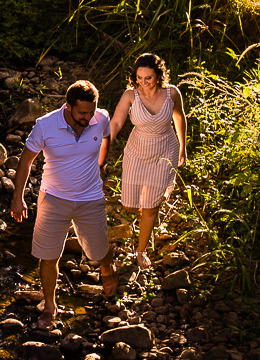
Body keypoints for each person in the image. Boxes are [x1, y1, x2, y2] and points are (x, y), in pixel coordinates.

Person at [11, 80, 118, 329]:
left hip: (90, 198)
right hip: (53, 199)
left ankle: (107, 270)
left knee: (99, 251)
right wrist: (18, 198)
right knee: (48, 256)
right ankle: (50, 306)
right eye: (82, 112)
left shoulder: (101, 118)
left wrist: (100, 165)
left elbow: (105, 137)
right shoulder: (45, 125)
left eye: (91, 111)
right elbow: (26, 161)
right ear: (68, 106)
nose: (87, 117)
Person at [107, 53, 187, 271]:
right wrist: (104, 145)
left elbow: (179, 117)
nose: (143, 82)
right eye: (139, 77)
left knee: (150, 206)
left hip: (165, 149)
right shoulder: (130, 95)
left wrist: (183, 146)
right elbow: (116, 122)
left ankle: (141, 251)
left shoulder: (172, 93)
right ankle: (147, 213)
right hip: (137, 151)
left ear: (159, 75)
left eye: (148, 78)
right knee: (130, 205)